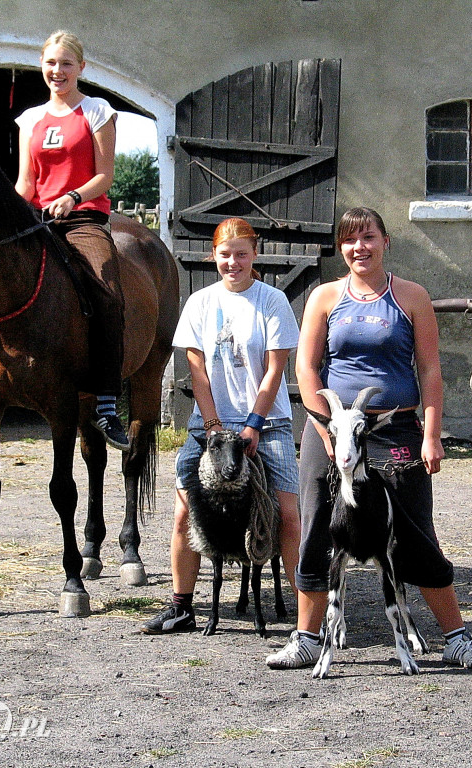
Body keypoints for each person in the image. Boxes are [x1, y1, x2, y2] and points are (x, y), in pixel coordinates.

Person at [265, 206, 472, 670]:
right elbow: (306, 368)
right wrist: (324, 428)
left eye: (368, 237)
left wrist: (432, 435)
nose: (360, 247)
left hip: (395, 430)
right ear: (340, 247)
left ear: (385, 242)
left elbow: (429, 370)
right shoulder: (325, 297)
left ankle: (457, 637)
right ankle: (307, 638)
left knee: (413, 529)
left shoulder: (411, 296)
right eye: (350, 240)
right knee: (318, 525)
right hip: (332, 431)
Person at [0, 30, 129, 450]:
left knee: (108, 293)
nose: (57, 71)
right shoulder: (30, 119)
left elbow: (105, 176)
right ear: (41, 66)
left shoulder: (97, 111)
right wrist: (5, 215)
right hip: (36, 222)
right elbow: (26, 183)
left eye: (66, 64)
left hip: (82, 219)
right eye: (50, 63)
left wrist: (72, 197)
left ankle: (106, 401)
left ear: (81, 68)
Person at [141, 217, 301, 634]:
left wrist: (254, 425)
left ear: (255, 254)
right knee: (184, 512)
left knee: (288, 515)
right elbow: (197, 371)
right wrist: (212, 426)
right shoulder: (200, 303)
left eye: (241, 254)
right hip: (210, 424)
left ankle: (308, 614)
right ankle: (181, 606)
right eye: (226, 255)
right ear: (214, 256)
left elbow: (275, 371)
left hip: (268, 422)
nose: (234, 262)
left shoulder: (272, 302)